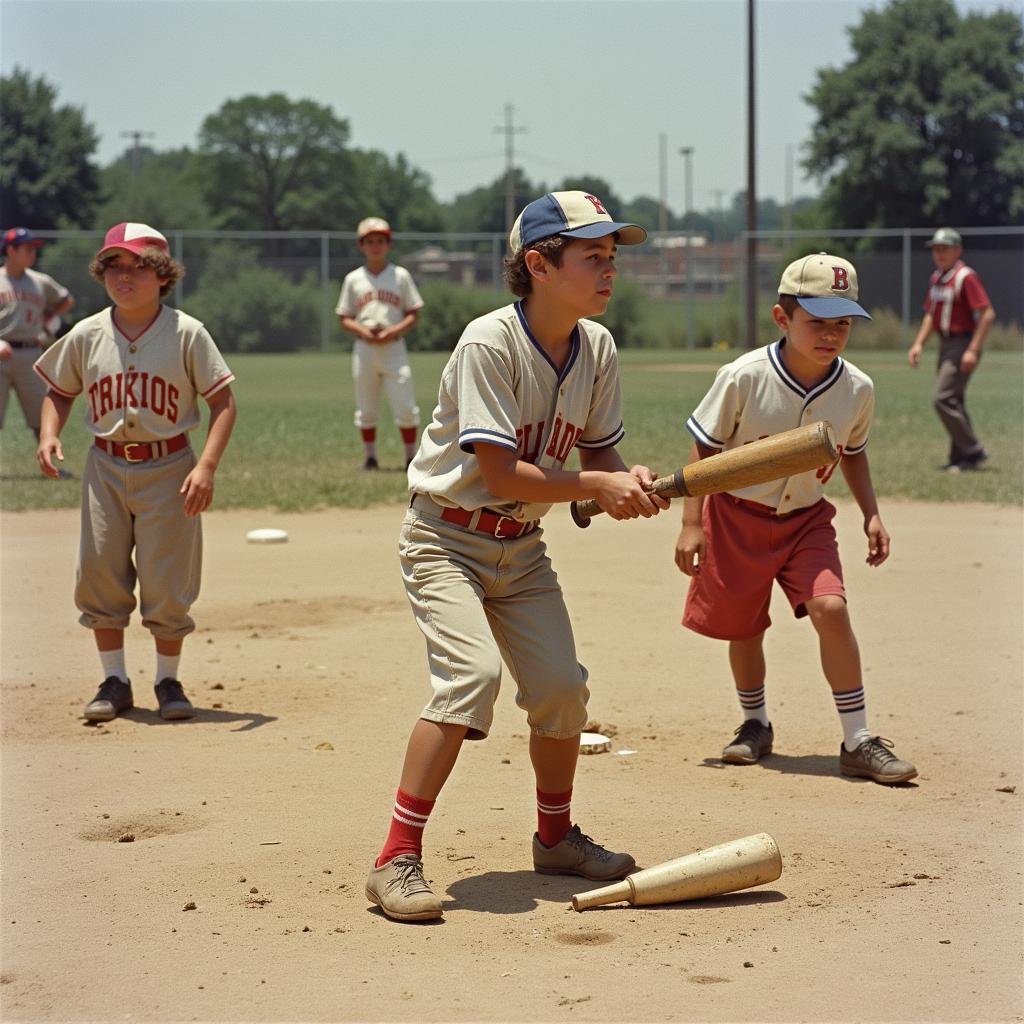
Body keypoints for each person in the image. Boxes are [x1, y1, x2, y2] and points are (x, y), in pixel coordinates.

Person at [365, 191, 669, 922]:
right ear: (538, 263)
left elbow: (596, 448)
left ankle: (555, 837)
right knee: (470, 678)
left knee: (562, 689)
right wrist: (595, 483)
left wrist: (620, 482)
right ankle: (394, 859)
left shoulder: (596, 347)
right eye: (591, 255)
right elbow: (499, 476)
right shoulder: (489, 343)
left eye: (612, 255)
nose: (608, 268)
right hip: (446, 537)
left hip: (521, 548)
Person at [674, 252, 917, 786]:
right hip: (735, 516)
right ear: (783, 319)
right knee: (745, 628)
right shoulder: (744, 376)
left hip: (807, 520)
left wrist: (872, 514)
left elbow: (852, 451)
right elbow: (703, 451)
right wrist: (692, 523)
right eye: (818, 322)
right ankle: (755, 723)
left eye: (842, 323)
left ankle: (857, 739)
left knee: (831, 608)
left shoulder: (857, 388)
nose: (831, 334)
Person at [34, 222, 237, 723]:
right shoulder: (87, 333)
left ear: (162, 276)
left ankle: (168, 680)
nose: (125, 277)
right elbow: (60, 390)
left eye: (139, 267)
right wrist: (48, 433)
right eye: (115, 267)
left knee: (168, 580)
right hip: (104, 467)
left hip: (171, 468)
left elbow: (224, 402)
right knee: (100, 573)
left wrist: (206, 466)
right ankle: (115, 680)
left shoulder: (187, 332)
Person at [336, 217, 423, 471]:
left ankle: (410, 457)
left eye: (381, 241)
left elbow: (414, 312)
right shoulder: (354, 279)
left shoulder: (400, 276)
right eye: (370, 241)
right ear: (361, 245)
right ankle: (370, 457)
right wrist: (362, 330)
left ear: (389, 244)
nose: (375, 246)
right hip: (364, 349)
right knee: (366, 407)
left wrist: (393, 330)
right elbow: (344, 316)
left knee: (405, 405)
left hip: (394, 347)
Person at [907, 227, 995, 472]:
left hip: (962, 343)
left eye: (944, 248)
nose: (939, 253)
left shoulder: (965, 277)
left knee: (942, 398)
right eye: (936, 249)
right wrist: (918, 344)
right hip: (945, 344)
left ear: (958, 250)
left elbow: (987, 314)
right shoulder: (937, 277)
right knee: (954, 400)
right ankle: (961, 458)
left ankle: (973, 449)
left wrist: (973, 350)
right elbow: (930, 316)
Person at [0, 227, 76, 473]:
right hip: (1, 351)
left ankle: (50, 465)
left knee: (40, 416)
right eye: (27, 249)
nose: (33, 253)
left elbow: (67, 299)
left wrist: (51, 316)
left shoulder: (39, 281)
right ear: (11, 250)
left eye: (34, 249)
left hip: (31, 353)